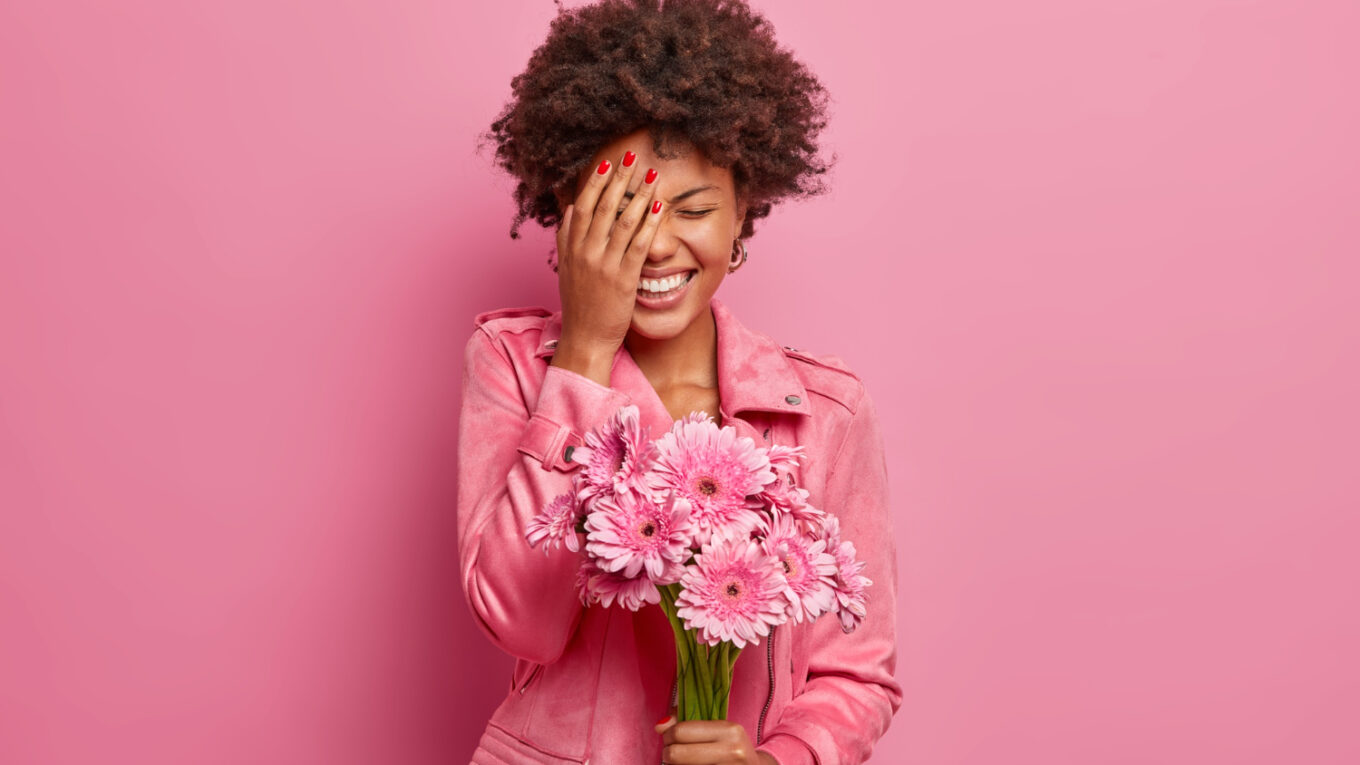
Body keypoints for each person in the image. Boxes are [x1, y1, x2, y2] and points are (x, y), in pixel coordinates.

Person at [457, 1, 901, 762]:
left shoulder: (825, 410)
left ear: (743, 218)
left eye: (693, 208)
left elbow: (857, 674)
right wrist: (586, 351)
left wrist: (771, 760)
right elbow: (522, 619)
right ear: (567, 218)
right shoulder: (513, 363)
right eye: (622, 214)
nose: (657, 244)